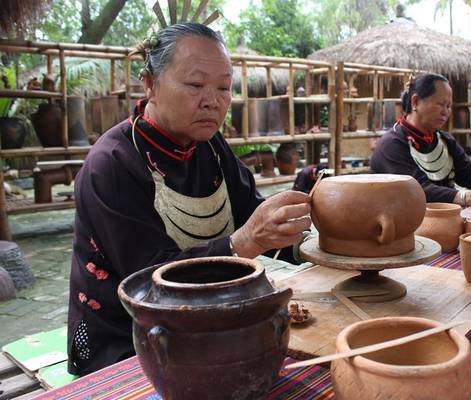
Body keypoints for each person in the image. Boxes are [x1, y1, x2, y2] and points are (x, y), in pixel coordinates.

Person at [67, 23, 311, 375]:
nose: (213, 101)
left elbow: (251, 214)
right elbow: (150, 281)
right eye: (196, 85)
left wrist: (308, 240)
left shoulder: (211, 148)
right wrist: (244, 241)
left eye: (224, 87)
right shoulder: (112, 164)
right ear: (150, 84)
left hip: (209, 320)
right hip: (129, 340)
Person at [370, 74, 471, 205]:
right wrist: (468, 196)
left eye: (449, 106)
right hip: (400, 228)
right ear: (415, 102)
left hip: (445, 222)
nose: (446, 112)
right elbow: (417, 189)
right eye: (440, 104)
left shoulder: (445, 141)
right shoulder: (391, 145)